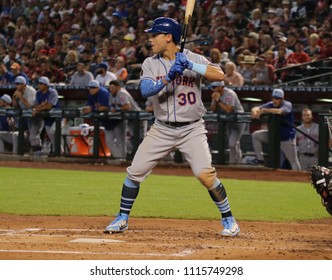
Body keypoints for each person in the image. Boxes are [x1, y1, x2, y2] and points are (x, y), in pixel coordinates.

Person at [105, 17, 240, 237]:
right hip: (162, 129)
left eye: (154, 35)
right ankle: (122, 218)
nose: (150, 39)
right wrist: (168, 77)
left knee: (205, 175)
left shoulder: (193, 57)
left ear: (168, 37)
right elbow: (146, 90)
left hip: (192, 129)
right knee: (135, 172)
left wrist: (190, 66)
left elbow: (220, 74)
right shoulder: (150, 63)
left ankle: (229, 220)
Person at [249, 88, 301, 170]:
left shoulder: (287, 104)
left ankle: (299, 179)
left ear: (282, 99)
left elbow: (280, 111)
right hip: (274, 136)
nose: (275, 100)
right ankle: (260, 159)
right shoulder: (271, 104)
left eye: (278, 99)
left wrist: (264, 111)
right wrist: (255, 111)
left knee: (293, 161)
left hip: (286, 138)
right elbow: (256, 108)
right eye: (274, 98)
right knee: (256, 135)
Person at [210, 81, 246, 164]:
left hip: (238, 120)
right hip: (229, 121)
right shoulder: (216, 95)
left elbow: (229, 109)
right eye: (212, 87)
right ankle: (237, 163)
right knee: (234, 144)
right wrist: (215, 100)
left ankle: (232, 163)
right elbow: (213, 109)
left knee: (232, 144)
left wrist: (218, 101)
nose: (213, 89)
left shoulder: (230, 93)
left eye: (215, 87)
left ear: (221, 87)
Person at [108, 80, 144, 159]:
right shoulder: (111, 93)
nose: (111, 89)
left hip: (138, 117)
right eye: (110, 88)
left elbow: (128, 107)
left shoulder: (121, 93)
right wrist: (113, 108)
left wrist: (117, 109)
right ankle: (137, 157)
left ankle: (143, 157)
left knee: (140, 138)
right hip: (130, 118)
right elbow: (111, 105)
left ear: (118, 87)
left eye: (113, 88)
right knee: (134, 138)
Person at [29, 76, 61, 156]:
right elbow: (35, 105)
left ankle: (57, 151)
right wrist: (39, 107)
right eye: (38, 83)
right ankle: (57, 151)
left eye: (41, 84)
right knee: (51, 136)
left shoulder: (53, 92)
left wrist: (38, 108)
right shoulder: (38, 93)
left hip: (57, 117)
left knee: (53, 132)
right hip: (47, 118)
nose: (39, 85)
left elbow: (49, 106)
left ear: (46, 85)